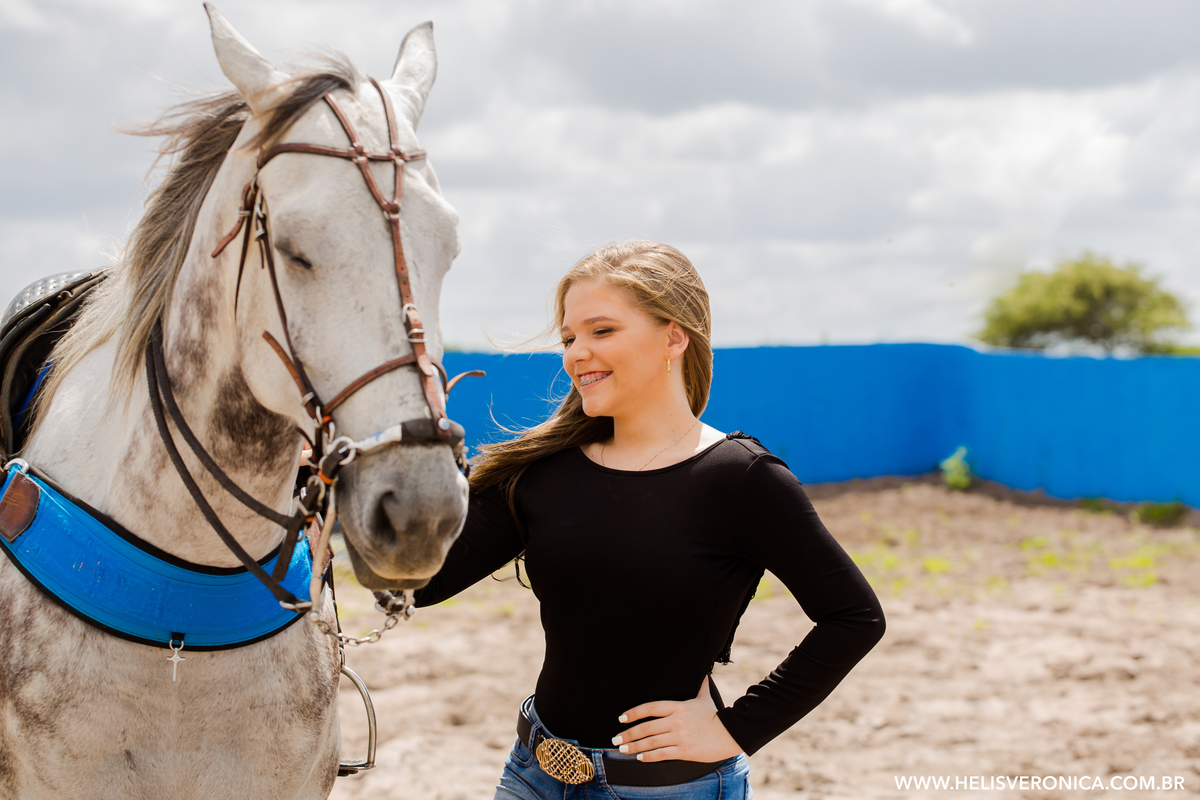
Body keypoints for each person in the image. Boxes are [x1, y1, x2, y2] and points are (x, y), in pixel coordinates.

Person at [414, 240, 885, 799]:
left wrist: (737, 729)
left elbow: (854, 618)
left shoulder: (742, 479)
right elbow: (424, 582)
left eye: (601, 331)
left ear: (674, 335)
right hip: (533, 775)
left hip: (664, 789)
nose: (575, 353)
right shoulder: (540, 472)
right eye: (569, 338)